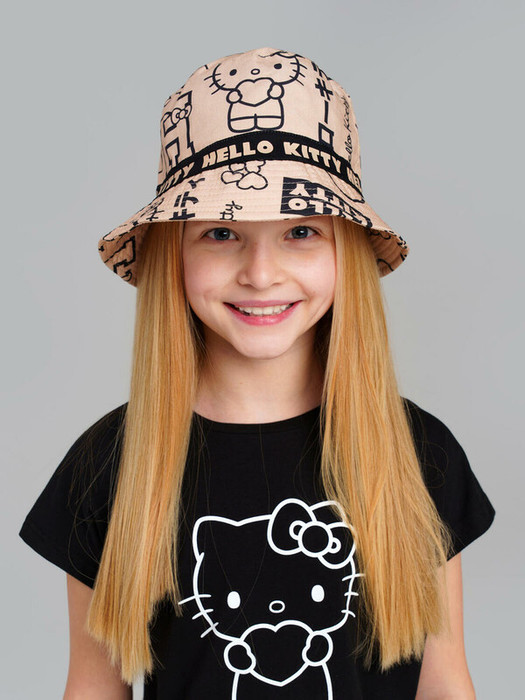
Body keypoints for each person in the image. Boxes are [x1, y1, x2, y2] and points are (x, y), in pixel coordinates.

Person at [19, 47, 495, 699]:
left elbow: (443, 683)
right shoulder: (111, 464)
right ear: (173, 254)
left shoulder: (417, 452)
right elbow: (92, 688)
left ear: (346, 252)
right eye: (221, 233)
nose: (261, 274)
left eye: (301, 231)